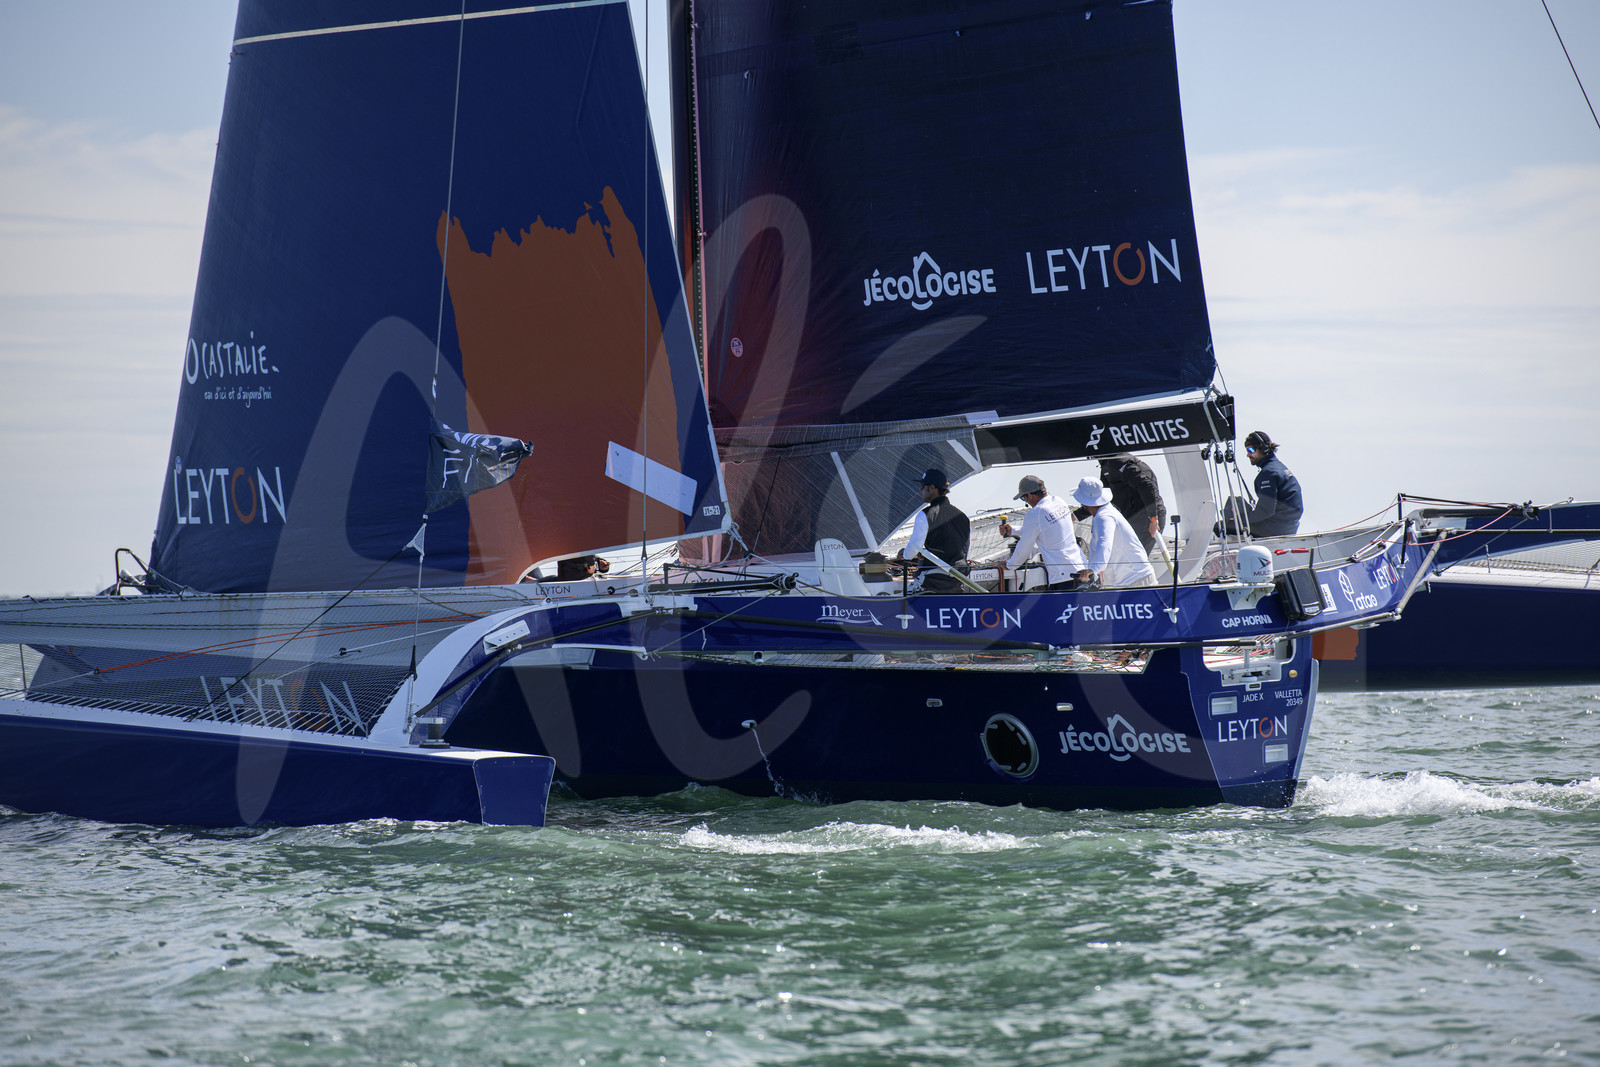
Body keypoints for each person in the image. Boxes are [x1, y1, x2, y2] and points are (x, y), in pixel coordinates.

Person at [999, 474, 1087, 589]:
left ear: (1030, 496)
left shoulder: (1035, 513)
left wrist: (1009, 565)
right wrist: (1013, 530)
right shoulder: (1059, 501)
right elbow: (1045, 529)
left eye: (1023, 498)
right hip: (1083, 568)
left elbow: (1024, 547)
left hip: (1064, 577)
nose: (1026, 502)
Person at [1072, 477, 1158, 588]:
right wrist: (1092, 572)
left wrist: (1093, 569)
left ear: (1084, 503)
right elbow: (1096, 547)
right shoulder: (1102, 514)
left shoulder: (1104, 517)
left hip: (1137, 579)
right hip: (1129, 580)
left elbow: (1104, 543)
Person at [898, 468, 970, 593]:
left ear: (931, 488)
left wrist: (904, 553)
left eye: (922, 486)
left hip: (932, 583)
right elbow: (964, 551)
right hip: (956, 583)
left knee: (895, 601)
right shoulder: (964, 517)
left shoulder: (925, 515)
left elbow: (911, 552)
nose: (920, 490)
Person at [1226, 430, 1303, 537]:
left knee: (1221, 526)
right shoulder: (1279, 467)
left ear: (1263, 448)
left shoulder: (1268, 473)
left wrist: (1241, 519)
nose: (1248, 454)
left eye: (1251, 450)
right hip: (1287, 527)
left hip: (1274, 529)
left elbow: (1265, 511)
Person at [1099, 453, 1166, 555]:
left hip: (1146, 519)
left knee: (1135, 558)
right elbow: (1101, 497)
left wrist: (1153, 518)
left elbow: (1146, 485)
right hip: (1135, 518)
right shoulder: (1107, 463)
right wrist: (1077, 515)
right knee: (1127, 558)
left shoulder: (1116, 461)